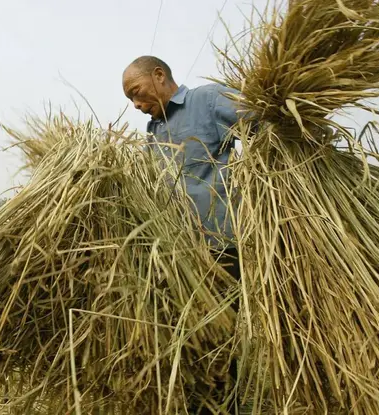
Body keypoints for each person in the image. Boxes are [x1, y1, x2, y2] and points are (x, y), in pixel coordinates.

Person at [122, 55, 242, 414]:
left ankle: (222, 409)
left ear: (159, 75)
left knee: (217, 338)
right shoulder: (153, 132)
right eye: (130, 100)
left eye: (137, 93)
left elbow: (265, 124)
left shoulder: (207, 100)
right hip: (177, 254)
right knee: (184, 338)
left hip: (219, 245)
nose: (137, 105)